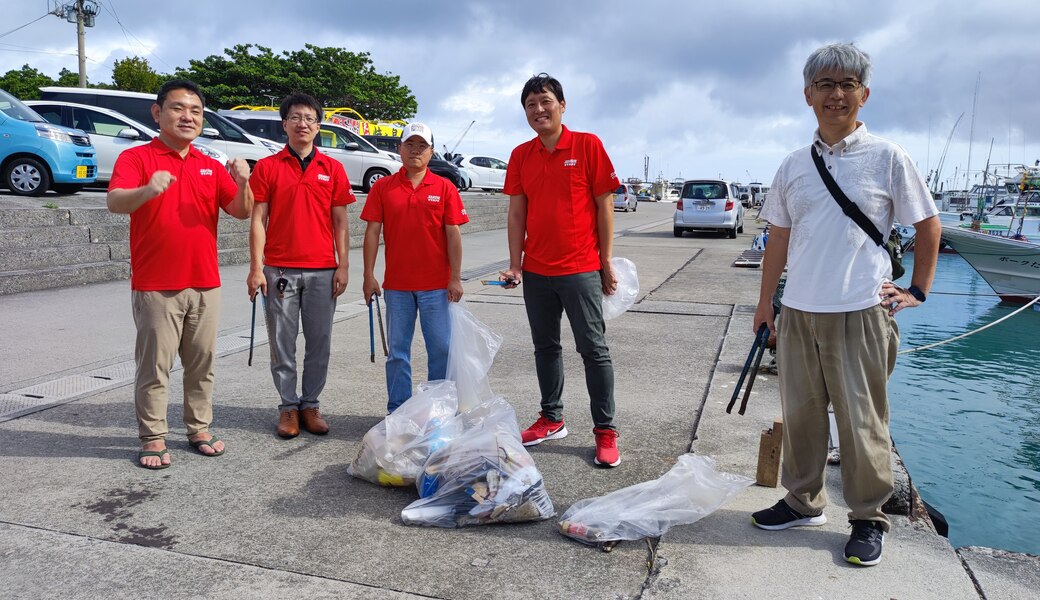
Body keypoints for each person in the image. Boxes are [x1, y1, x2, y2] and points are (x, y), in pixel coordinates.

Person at [751, 43, 941, 566]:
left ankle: (867, 517)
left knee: (862, 422)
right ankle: (802, 501)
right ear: (807, 95)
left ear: (864, 94)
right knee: (802, 416)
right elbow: (779, 237)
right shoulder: (794, 164)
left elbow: (928, 225)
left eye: (847, 85)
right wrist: (766, 304)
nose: (836, 94)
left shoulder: (888, 157)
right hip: (799, 311)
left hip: (860, 311)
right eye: (825, 85)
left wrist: (916, 291)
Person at [107, 79, 253, 469]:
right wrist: (148, 190)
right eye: (178, 108)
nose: (188, 116)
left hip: (205, 283)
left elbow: (241, 211)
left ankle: (198, 428)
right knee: (155, 366)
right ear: (158, 113)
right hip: (156, 284)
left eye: (196, 111)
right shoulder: (137, 158)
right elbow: (115, 201)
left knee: (202, 364)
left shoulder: (210, 165)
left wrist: (244, 182)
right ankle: (153, 436)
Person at [500, 73, 622, 468]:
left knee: (593, 350)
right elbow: (517, 213)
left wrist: (605, 261)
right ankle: (552, 418)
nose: (539, 110)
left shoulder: (587, 145)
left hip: (580, 268)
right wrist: (515, 264)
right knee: (545, 346)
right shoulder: (521, 155)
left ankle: (605, 430)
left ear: (562, 105)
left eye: (546, 101)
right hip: (537, 271)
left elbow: (604, 206)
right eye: (530, 105)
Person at [246, 92, 354, 438]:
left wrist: (343, 266)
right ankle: (288, 407)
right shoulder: (268, 167)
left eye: (309, 118)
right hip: (279, 269)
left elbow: (341, 222)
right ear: (284, 124)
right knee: (282, 342)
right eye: (295, 117)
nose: (302, 124)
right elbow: (258, 220)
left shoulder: (332, 169)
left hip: (323, 269)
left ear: (318, 126)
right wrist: (256, 268)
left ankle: (310, 405)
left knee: (320, 341)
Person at [361, 122, 468, 413]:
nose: (415, 151)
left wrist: (455, 278)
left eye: (422, 146)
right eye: (410, 144)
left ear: (432, 152)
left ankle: (439, 410)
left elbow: (453, 234)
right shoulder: (383, 187)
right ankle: (398, 410)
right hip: (397, 286)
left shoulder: (445, 187)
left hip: (437, 286)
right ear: (400, 149)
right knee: (397, 352)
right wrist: (369, 275)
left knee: (441, 350)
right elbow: (372, 232)